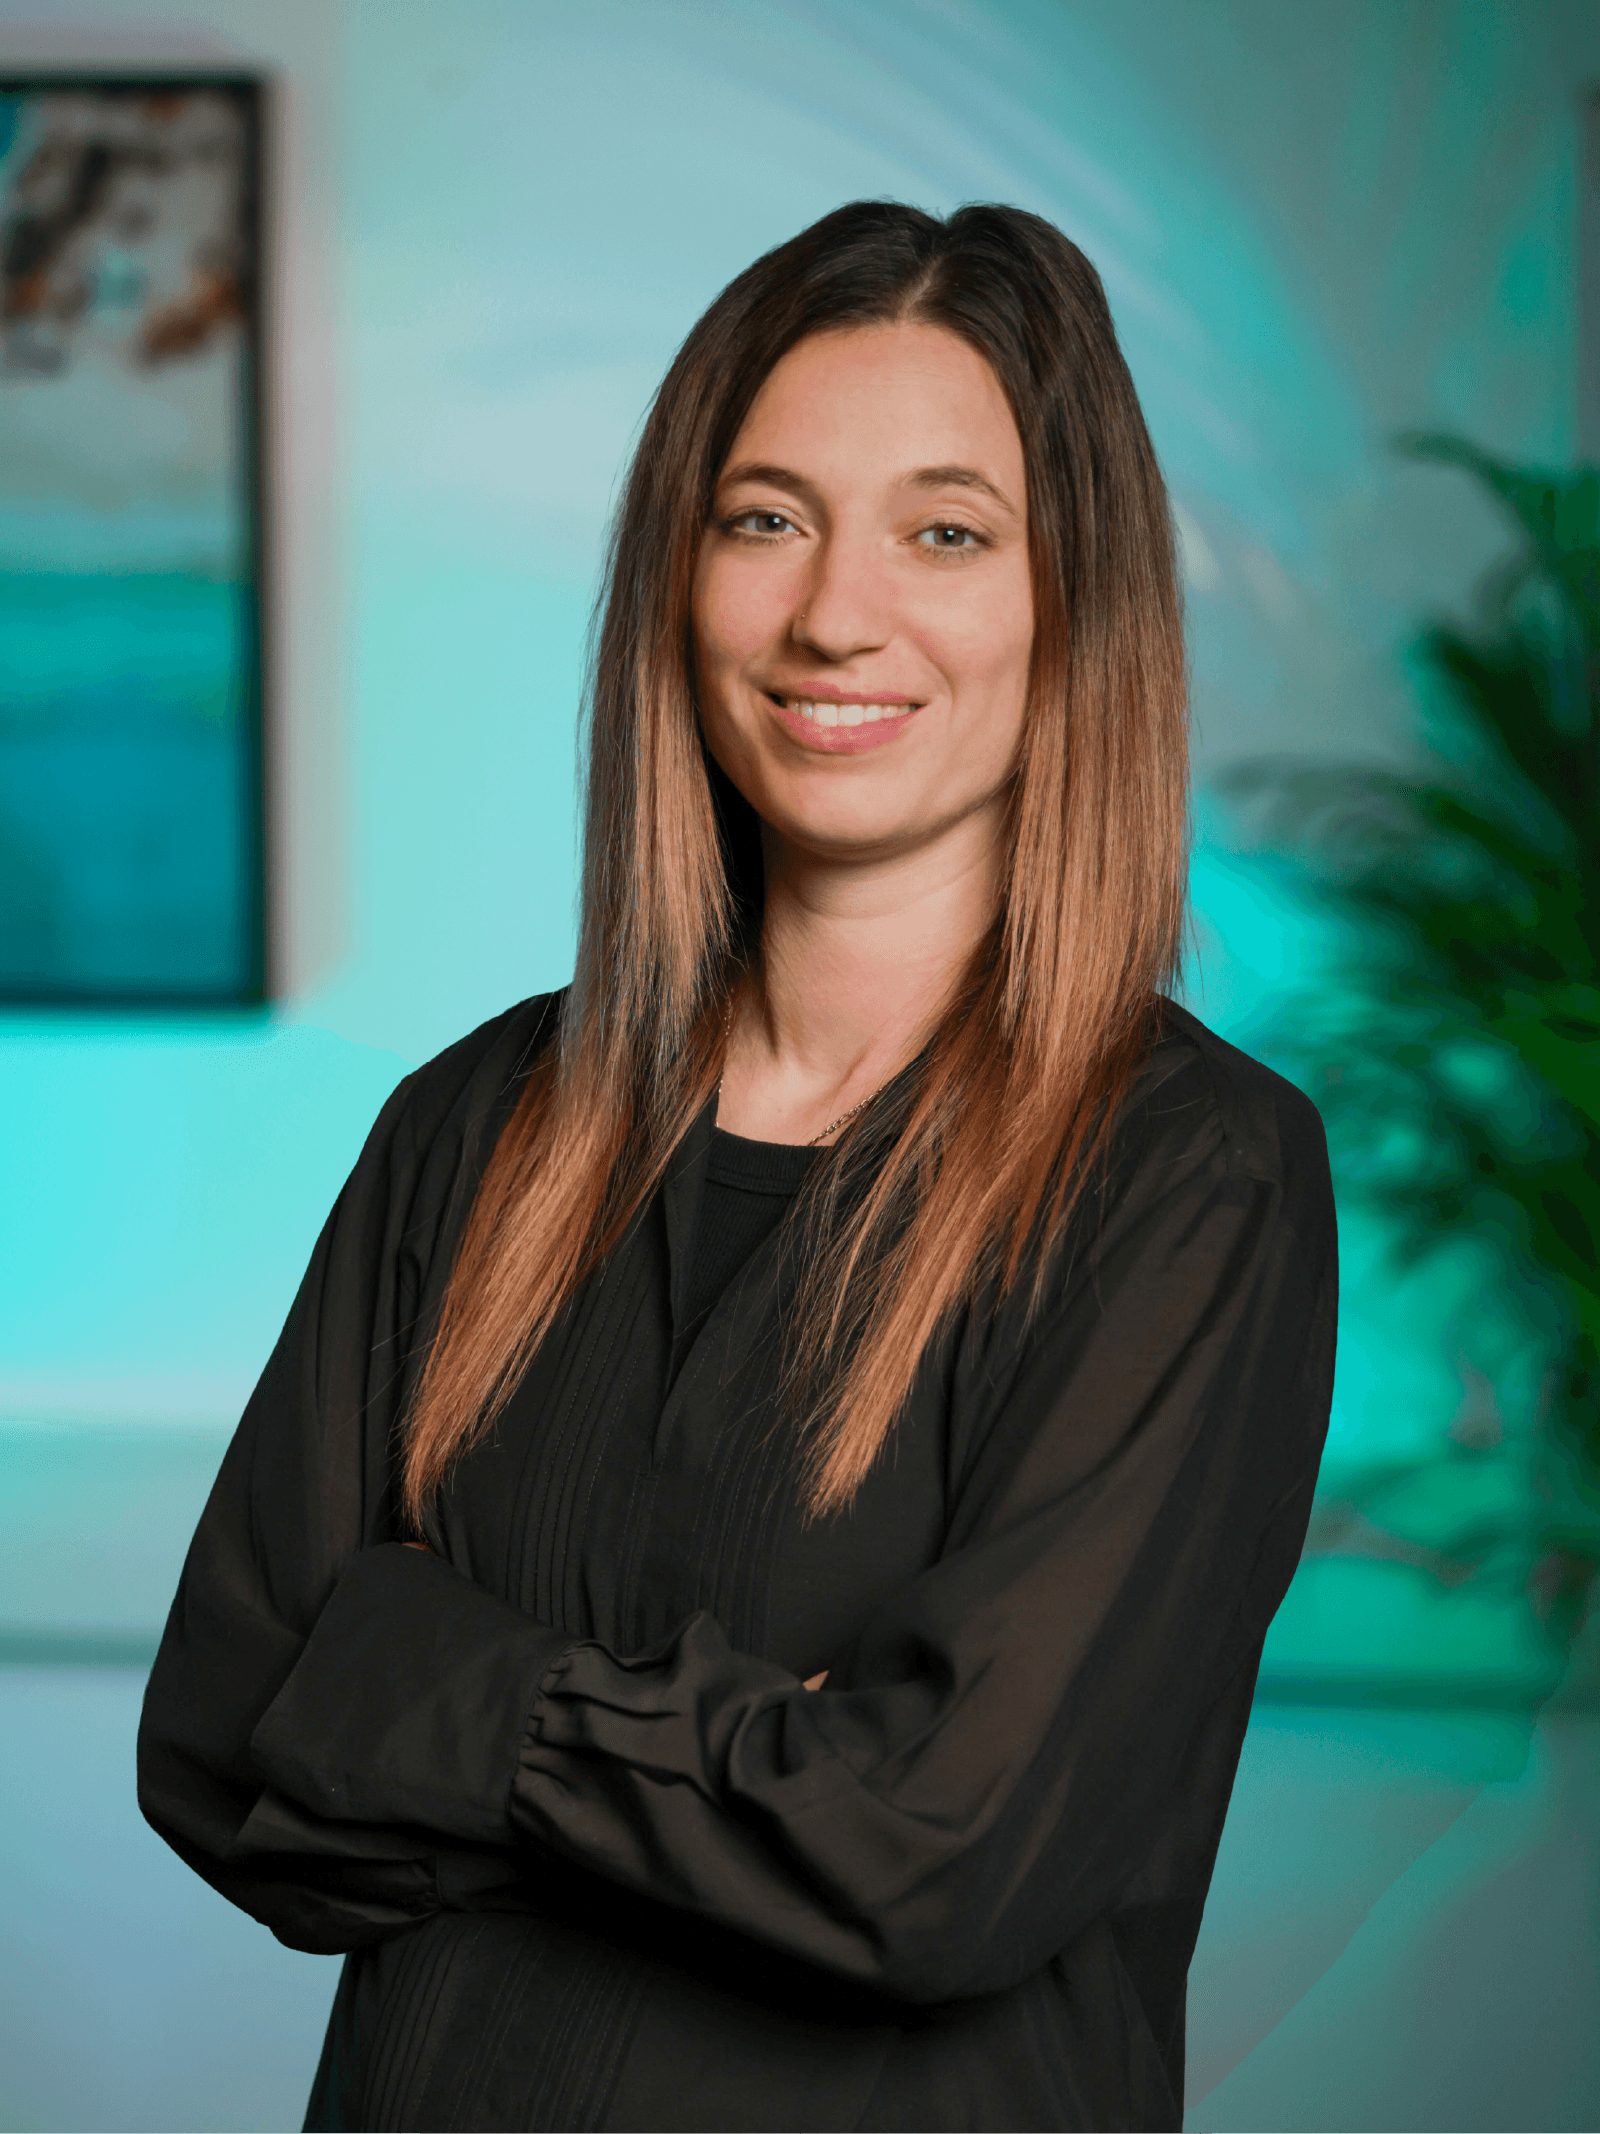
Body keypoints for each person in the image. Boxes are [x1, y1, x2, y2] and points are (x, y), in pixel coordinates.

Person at [138, 200, 1336, 2134]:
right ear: (676, 577)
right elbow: (220, 1735)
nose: (834, 615)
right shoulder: (471, 1126)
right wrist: (745, 1776)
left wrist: (438, 1695)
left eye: (944, 532)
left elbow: (933, 1857)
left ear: (1072, 599)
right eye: (766, 517)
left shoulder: (1191, 1181)